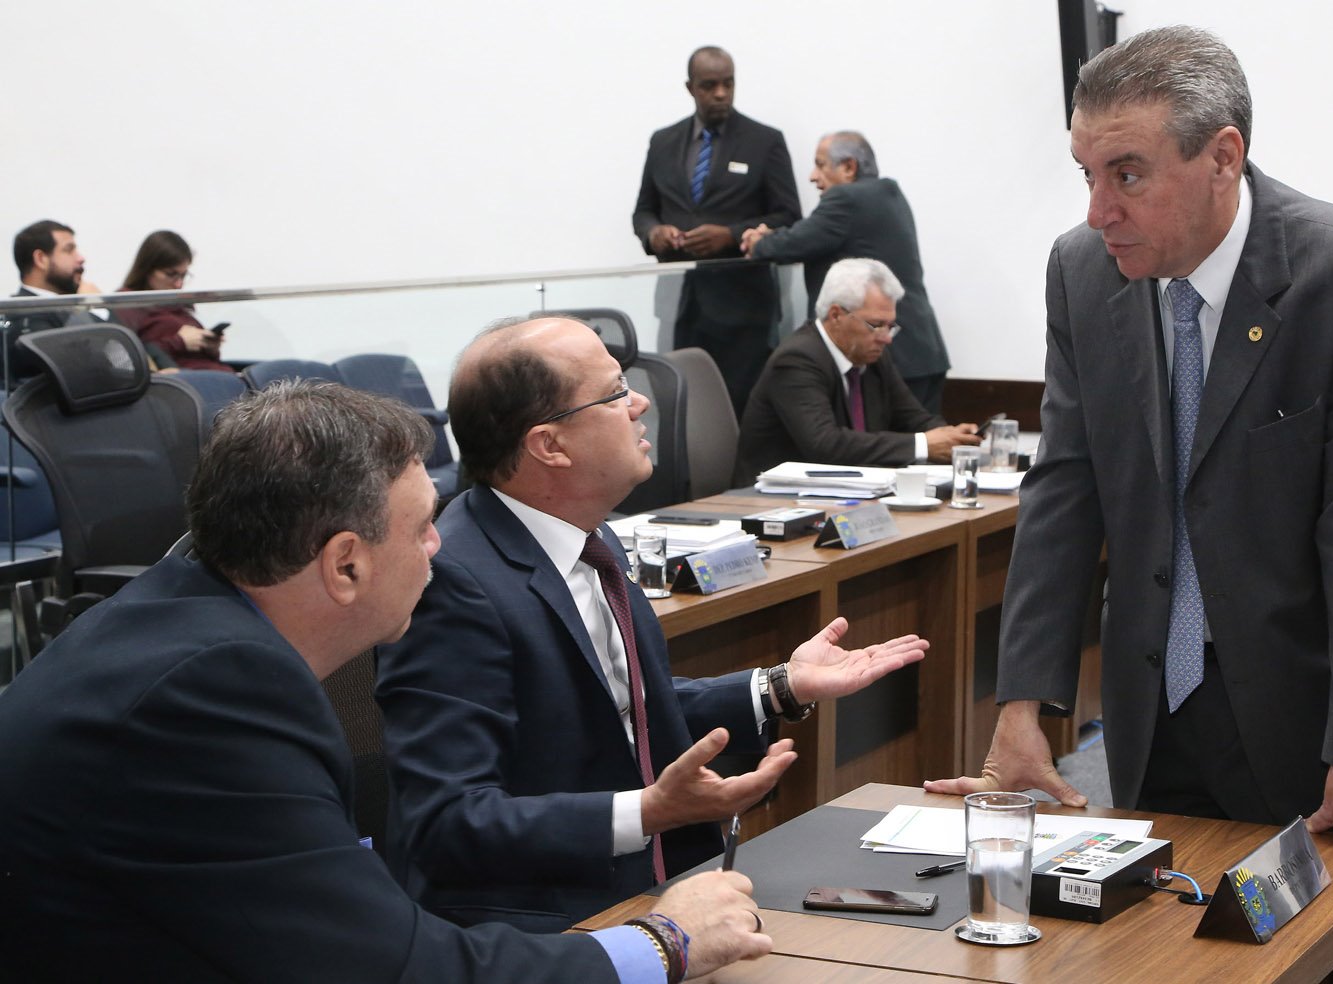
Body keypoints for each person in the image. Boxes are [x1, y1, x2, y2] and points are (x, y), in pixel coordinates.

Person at [0, 379, 773, 981]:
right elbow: (396, 971)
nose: (441, 547)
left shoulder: (187, 617)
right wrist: (664, 942)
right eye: (423, 526)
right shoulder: (211, 696)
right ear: (345, 564)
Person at [924, 26, 1333, 897]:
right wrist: (1022, 706)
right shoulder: (1083, 271)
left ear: (1222, 158)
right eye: (1086, 175)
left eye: (1126, 174)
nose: (1098, 211)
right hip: (1152, 715)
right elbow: (1066, 488)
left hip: (1325, 730)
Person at [376, 317, 928, 931]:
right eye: (615, 393)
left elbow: (622, 709)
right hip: (543, 925)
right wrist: (646, 812)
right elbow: (446, 822)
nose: (640, 402)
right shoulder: (455, 582)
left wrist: (780, 686)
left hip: (657, 888)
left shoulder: (590, 537)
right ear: (550, 445)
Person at [631, 45, 801, 416]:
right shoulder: (663, 141)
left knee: (738, 412)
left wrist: (731, 235)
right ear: (690, 88)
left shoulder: (764, 141)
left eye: (728, 83)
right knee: (680, 410)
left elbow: (789, 216)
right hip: (678, 304)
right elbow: (643, 212)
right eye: (709, 85)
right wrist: (655, 233)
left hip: (743, 310)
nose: (721, 93)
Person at [741, 131, 951, 412]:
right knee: (923, 437)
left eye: (820, 165)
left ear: (849, 167)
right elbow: (811, 235)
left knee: (888, 439)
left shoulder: (846, 199)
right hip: (922, 351)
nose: (812, 177)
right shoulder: (887, 194)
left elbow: (790, 244)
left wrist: (758, 242)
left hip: (888, 354)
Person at [735, 258, 979, 482]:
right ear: (836, 315)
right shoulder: (797, 360)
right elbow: (825, 444)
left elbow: (913, 418)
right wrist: (923, 444)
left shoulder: (871, 355)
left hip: (847, 491)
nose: (886, 338)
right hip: (773, 499)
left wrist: (953, 437)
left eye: (890, 326)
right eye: (876, 325)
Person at [115, 229, 233, 373]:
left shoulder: (178, 304)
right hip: (184, 380)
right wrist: (179, 342)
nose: (179, 284)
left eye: (183, 276)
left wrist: (209, 347)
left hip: (215, 373)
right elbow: (127, 358)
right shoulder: (127, 304)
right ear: (147, 269)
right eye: (171, 274)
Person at [8, 219, 107, 378]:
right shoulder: (23, 315)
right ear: (41, 259)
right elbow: (89, 366)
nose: (81, 258)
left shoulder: (64, 307)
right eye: (69, 250)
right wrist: (88, 308)